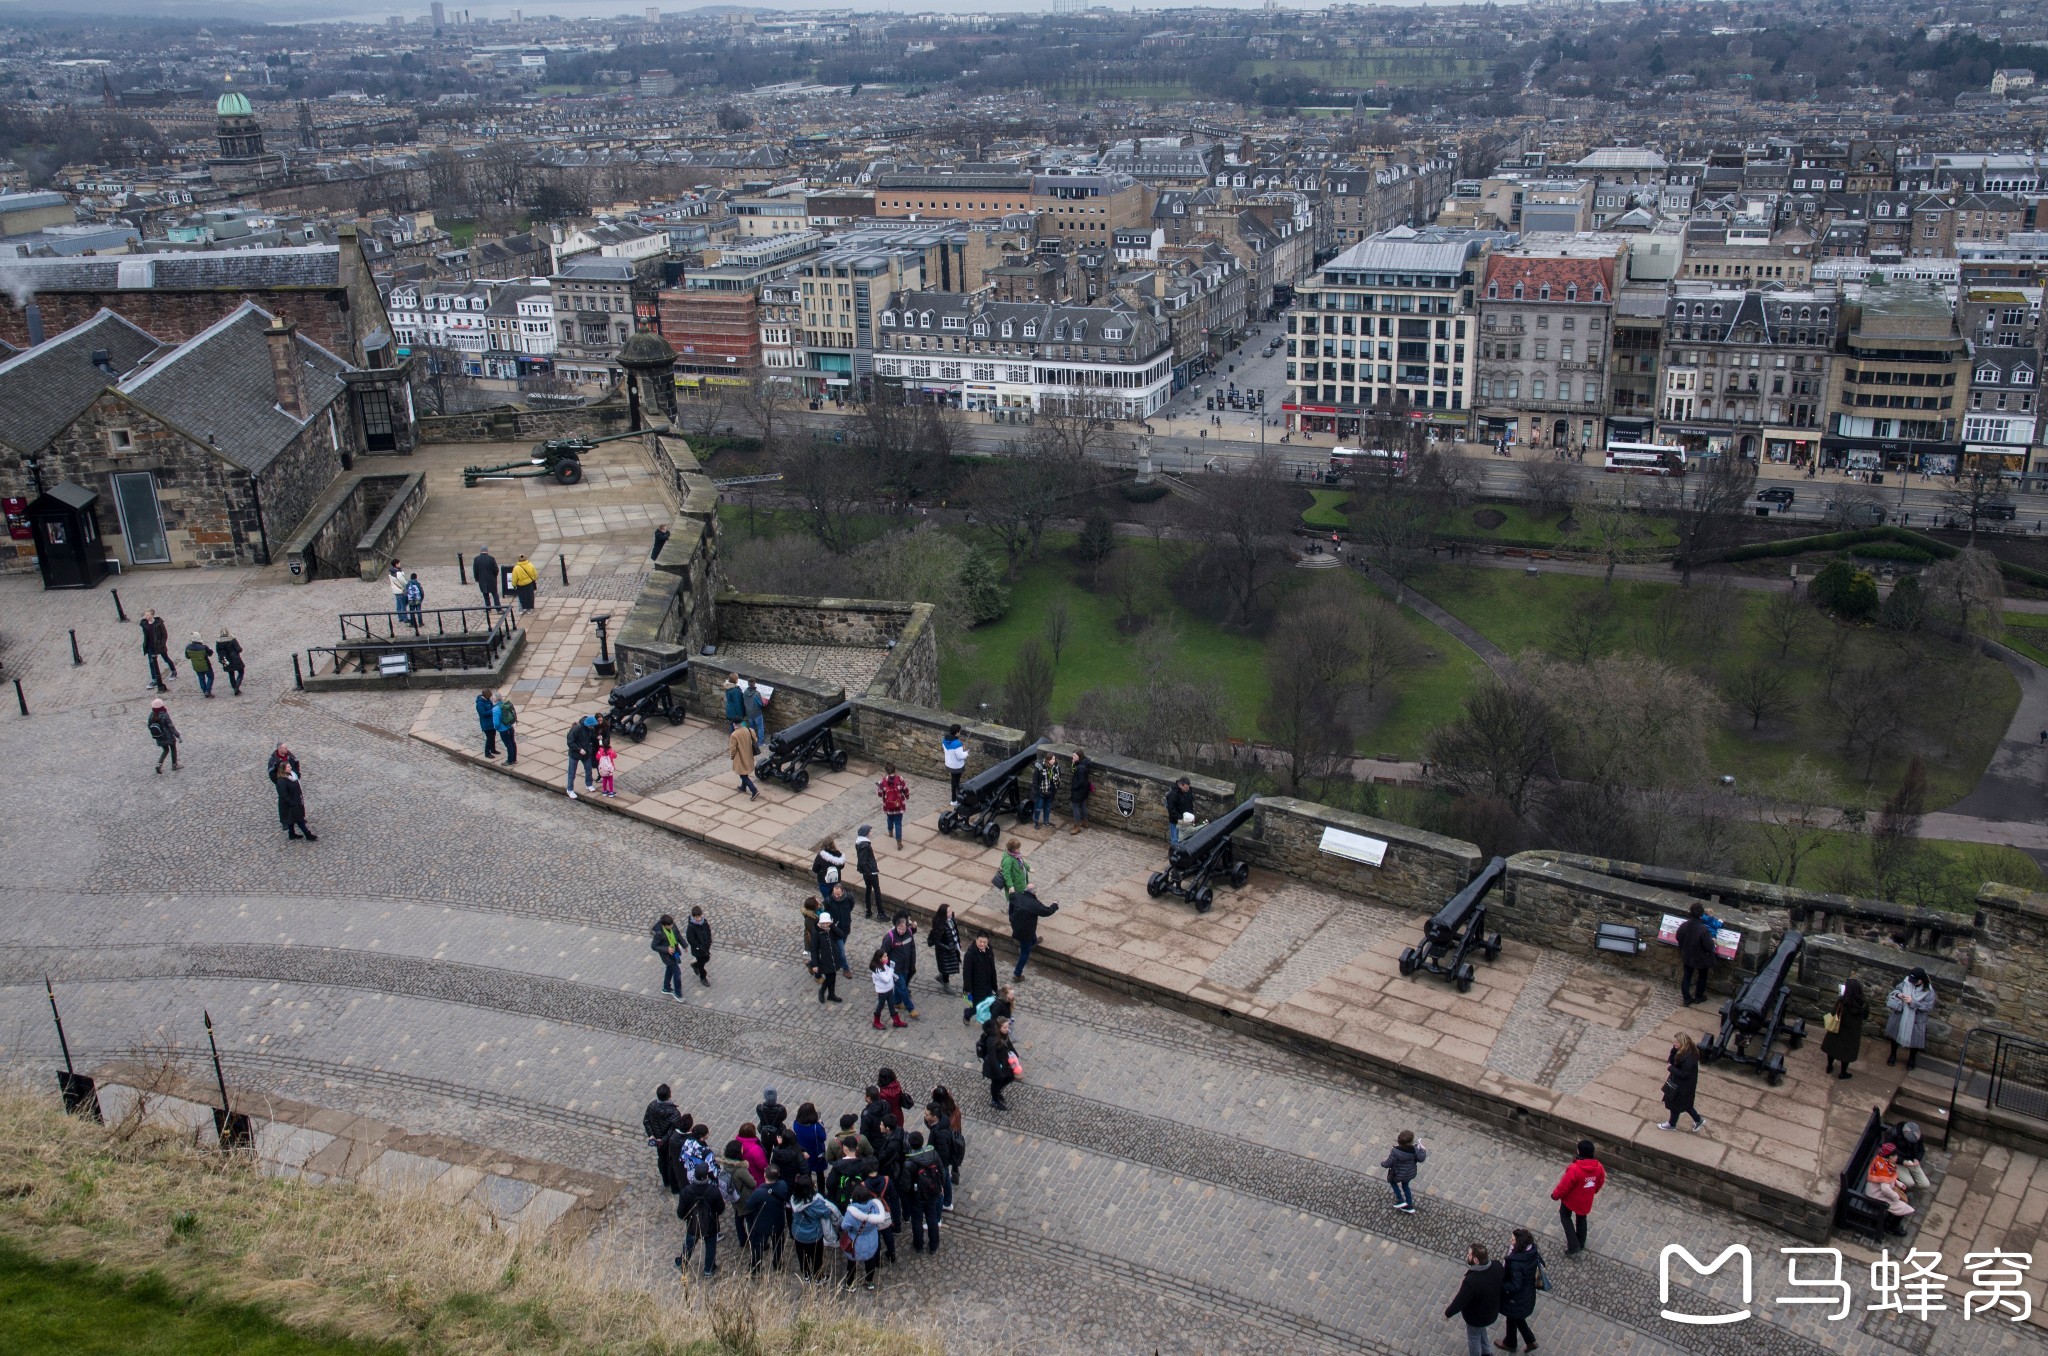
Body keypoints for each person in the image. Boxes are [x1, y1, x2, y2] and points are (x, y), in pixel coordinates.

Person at [1443, 1241, 1506, 1356]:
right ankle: (1487, 1352)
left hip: (1476, 1317)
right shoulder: (1497, 1266)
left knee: (1473, 1339)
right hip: (1491, 1312)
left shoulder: (1472, 1281)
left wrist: (1448, 1313)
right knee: (1481, 1331)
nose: (1468, 1256)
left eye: (1469, 1255)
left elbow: (1460, 1301)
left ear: (1476, 1260)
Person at [1550, 1139, 1605, 1256]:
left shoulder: (1575, 1168)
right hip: (1585, 1200)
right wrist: (1594, 1190)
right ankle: (1581, 1242)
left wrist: (1555, 1195)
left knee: (1565, 1216)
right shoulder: (1599, 1167)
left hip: (1571, 1200)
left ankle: (1573, 1245)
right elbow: (1600, 1181)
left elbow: (1564, 1185)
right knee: (1581, 1218)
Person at [1499, 1227, 1545, 1353]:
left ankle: (1511, 1343)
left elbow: (1515, 1285)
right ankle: (1529, 1341)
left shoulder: (1515, 1263)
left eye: (1512, 1239)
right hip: (1527, 1294)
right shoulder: (1532, 1251)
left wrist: (1501, 1284)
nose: (1510, 1240)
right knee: (1516, 1318)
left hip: (1517, 1298)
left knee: (1512, 1318)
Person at [787, 1174, 840, 1280]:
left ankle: (806, 1275)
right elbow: (825, 1213)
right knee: (816, 1258)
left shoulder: (793, 1199)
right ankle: (818, 1277)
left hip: (798, 1234)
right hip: (813, 1235)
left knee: (802, 1256)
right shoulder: (816, 1203)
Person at [675, 1165, 725, 1277]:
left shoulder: (686, 1191)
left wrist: (689, 1218)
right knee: (711, 1246)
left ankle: (683, 1263)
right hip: (710, 1225)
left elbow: (680, 1213)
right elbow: (721, 1209)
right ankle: (709, 1269)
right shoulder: (714, 1191)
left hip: (693, 1224)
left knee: (689, 1244)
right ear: (707, 1175)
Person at [903, 1131, 946, 1254]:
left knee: (917, 1220)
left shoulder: (909, 1163)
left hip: (917, 1196)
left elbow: (906, 1185)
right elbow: (942, 1171)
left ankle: (919, 1245)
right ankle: (933, 1245)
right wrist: (940, 1186)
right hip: (932, 1191)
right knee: (932, 1217)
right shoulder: (932, 1153)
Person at [840, 1184, 888, 1291]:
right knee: (870, 1261)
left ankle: (849, 1284)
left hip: (855, 1242)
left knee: (851, 1264)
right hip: (871, 1240)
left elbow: (844, 1226)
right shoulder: (874, 1207)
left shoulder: (851, 1213)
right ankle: (869, 1281)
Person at [1886, 968, 1936, 1070]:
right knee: (1895, 1035)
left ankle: (1911, 1059)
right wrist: (1898, 994)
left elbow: (1927, 1007)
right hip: (1901, 1015)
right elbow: (1897, 989)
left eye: (1915, 981)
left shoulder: (1929, 991)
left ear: (1921, 980)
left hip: (1916, 1020)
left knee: (1915, 1040)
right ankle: (1893, 1055)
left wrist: (1912, 1002)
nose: (1912, 983)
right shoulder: (1906, 982)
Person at [740, 1165, 786, 1275]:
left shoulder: (759, 1192)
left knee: (758, 1247)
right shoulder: (783, 1186)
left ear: (765, 1175)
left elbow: (749, 1205)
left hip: (762, 1224)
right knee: (778, 1245)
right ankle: (777, 1264)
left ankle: (755, 1268)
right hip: (778, 1221)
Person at [1007, 882, 1058, 981]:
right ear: (1034, 893)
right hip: (1025, 932)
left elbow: (1011, 903)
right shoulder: (1034, 904)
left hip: (1017, 926)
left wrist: (1011, 917)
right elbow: (1047, 911)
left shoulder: (1016, 896)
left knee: (1031, 934)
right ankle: (1017, 974)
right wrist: (1055, 905)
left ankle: (1034, 942)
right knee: (1024, 953)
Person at [1822, 977, 1869, 1080]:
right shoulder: (1864, 1003)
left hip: (1838, 1028)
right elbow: (1865, 1016)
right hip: (1852, 1032)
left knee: (1832, 1048)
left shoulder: (1842, 1000)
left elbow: (1834, 1012)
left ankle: (1829, 1066)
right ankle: (1843, 1073)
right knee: (1847, 1052)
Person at [1658, 1033, 1705, 1132]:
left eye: (1676, 1042)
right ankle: (1698, 1120)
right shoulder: (1680, 1051)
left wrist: (1670, 1068)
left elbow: (1685, 1074)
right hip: (1681, 1084)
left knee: (1676, 1105)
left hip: (1683, 1086)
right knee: (1685, 1105)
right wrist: (1674, 1050)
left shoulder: (1689, 1058)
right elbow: (1671, 1060)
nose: (1674, 1043)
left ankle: (1672, 1124)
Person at [269, 743, 316, 841]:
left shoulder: (291, 776)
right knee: (298, 819)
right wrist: (292, 802)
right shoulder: (282, 781)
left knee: (292, 818)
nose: (290, 768)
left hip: (294, 800)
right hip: (290, 803)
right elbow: (284, 795)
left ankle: (291, 833)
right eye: (288, 767)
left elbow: (296, 763)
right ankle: (308, 834)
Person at [1865, 1144, 1916, 1233]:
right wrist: (1895, 1197)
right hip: (1875, 1195)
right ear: (1889, 1157)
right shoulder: (1884, 1168)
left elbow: (1888, 1178)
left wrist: (1898, 1183)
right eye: (1894, 1155)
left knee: (1900, 1200)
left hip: (1875, 1191)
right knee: (1902, 1206)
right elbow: (1885, 1188)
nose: (1897, 1157)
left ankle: (1889, 1221)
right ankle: (1893, 1226)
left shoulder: (1881, 1161)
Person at [1674, 902, 1717, 1007]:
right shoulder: (1703, 929)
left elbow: (1678, 937)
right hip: (1700, 958)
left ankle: (1687, 998)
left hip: (1687, 955)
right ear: (1701, 914)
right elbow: (1709, 946)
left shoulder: (1684, 925)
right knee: (1702, 976)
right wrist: (1713, 941)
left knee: (1687, 976)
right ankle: (1698, 997)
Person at [643, 1084, 683, 1192]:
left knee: (662, 1160)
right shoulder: (674, 1113)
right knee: (671, 1163)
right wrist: (663, 1140)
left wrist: (652, 1136)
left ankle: (666, 1181)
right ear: (669, 1095)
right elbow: (673, 1130)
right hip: (668, 1143)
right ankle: (674, 1186)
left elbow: (646, 1121)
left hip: (658, 1141)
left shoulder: (652, 1106)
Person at [1381, 1129, 1426, 1213]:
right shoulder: (1415, 1150)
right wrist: (1423, 1150)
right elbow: (1421, 1158)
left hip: (1397, 1174)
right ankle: (1409, 1206)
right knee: (1405, 1186)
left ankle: (1401, 1200)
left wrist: (1382, 1163)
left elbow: (1388, 1163)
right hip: (1409, 1173)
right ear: (1411, 1141)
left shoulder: (1395, 1151)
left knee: (1392, 1182)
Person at [979, 1015, 1018, 1110]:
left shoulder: (1003, 1033)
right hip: (995, 1066)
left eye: (1007, 1026)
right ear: (998, 1027)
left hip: (1003, 1061)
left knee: (1010, 1076)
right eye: (1004, 1027)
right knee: (996, 1083)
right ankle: (994, 1100)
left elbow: (1008, 1043)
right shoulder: (992, 1040)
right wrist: (999, 1073)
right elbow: (993, 1058)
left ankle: (998, 1091)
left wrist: (1015, 1054)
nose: (1007, 1029)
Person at [885, 914, 920, 1020]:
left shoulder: (909, 933)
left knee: (900, 986)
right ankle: (911, 1008)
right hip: (894, 968)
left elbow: (912, 949)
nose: (901, 931)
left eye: (903, 929)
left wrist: (912, 963)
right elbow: (883, 953)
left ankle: (896, 1002)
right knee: (903, 988)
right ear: (896, 926)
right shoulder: (889, 937)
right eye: (899, 928)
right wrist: (886, 968)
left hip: (905, 966)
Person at [961, 933, 999, 1024]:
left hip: (987, 984)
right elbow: (966, 974)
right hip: (976, 987)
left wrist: (995, 986)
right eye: (980, 941)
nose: (982, 944)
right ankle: (967, 1014)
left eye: (984, 942)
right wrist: (968, 990)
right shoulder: (970, 955)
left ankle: (990, 1019)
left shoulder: (989, 951)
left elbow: (992, 969)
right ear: (976, 939)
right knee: (976, 1007)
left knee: (989, 1003)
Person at [926, 903, 962, 994]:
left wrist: (958, 942)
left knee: (950, 965)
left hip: (952, 947)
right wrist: (948, 948)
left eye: (950, 910)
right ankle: (946, 984)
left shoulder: (952, 920)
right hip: (944, 951)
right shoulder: (940, 925)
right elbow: (937, 942)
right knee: (947, 968)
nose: (950, 912)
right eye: (948, 912)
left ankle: (941, 977)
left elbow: (955, 932)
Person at [563, 714, 598, 799]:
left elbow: (592, 738)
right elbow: (570, 742)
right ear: (588, 724)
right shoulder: (576, 728)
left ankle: (589, 784)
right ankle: (570, 789)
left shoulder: (590, 728)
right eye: (591, 725)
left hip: (586, 753)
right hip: (575, 754)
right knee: (572, 773)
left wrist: (597, 738)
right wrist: (579, 749)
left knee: (588, 769)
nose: (592, 727)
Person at [140, 609, 174, 691]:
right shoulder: (145, 624)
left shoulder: (159, 624)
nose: (146, 617)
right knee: (151, 662)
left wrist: (162, 644)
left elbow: (164, 635)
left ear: (152, 615)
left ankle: (173, 670)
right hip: (150, 646)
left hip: (159, 645)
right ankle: (154, 679)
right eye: (145, 615)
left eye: (148, 615)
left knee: (166, 658)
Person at [809, 912, 841, 1003]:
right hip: (824, 958)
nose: (826, 925)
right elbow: (814, 949)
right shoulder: (815, 932)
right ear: (820, 922)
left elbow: (841, 934)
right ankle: (822, 990)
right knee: (830, 976)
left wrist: (832, 926)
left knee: (833, 975)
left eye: (827, 923)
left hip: (832, 956)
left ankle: (831, 994)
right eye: (824, 923)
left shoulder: (830, 928)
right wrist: (815, 964)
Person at [870, 947, 904, 1031]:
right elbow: (886, 979)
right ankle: (876, 1021)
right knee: (881, 1005)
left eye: (887, 956)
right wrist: (892, 969)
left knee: (891, 1004)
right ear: (879, 958)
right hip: (883, 991)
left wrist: (894, 975)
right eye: (884, 957)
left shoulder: (883, 965)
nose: (887, 958)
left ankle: (896, 1021)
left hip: (888, 988)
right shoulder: (878, 969)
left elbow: (888, 972)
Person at [876, 763, 910, 847]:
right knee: (898, 823)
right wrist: (907, 796)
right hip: (899, 805)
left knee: (889, 819)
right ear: (895, 770)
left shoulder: (883, 781)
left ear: (886, 771)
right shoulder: (900, 779)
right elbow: (905, 789)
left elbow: (880, 794)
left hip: (888, 806)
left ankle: (890, 832)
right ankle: (899, 842)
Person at [793, 1103, 830, 1176]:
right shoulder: (816, 1127)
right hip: (816, 1152)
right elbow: (823, 1137)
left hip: (804, 1151)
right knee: (820, 1173)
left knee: (807, 1170)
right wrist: (820, 1123)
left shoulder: (796, 1124)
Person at [1894, 1121, 1933, 1190]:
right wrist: (1903, 1161)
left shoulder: (1917, 1134)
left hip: (1912, 1161)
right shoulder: (1894, 1135)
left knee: (1925, 1184)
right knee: (1909, 1183)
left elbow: (1921, 1150)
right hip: (1898, 1162)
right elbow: (1891, 1154)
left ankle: (1908, 1184)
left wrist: (1917, 1159)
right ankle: (1901, 1183)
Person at [854, 825, 882, 919]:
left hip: (867, 871)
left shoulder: (860, 843)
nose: (871, 832)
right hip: (870, 871)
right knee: (876, 891)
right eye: (870, 831)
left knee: (868, 889)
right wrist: (869, 873)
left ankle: (868, 910)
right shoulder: (865, 845)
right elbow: (863, 861)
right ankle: (880, 913)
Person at [146, 698, 180, 772]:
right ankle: (174, 765)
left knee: (165, 750)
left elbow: (149, 726)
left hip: (159, 737)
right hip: (168, 736)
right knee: (173, 749)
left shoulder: (151, 715)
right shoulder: (164, 715)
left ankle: (159, 764)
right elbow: (171, 726)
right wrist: (177, 735)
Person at [729, 721, 759, 800]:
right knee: (744, 771)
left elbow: (733, 749)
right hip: (749, 754)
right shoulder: (749, 730)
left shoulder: (734, 735)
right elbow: (755, 740)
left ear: (734, 724)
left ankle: (754, 790)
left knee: (742, 774)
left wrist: (732, 757)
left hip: (740, 757)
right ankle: (743, 787)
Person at [1029, 752, 1060, 829]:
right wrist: (1036, 791)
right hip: (1041, 791)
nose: (1054, 760)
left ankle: (1046, 822)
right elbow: (1035, 780)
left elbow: (1058, 778)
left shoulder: (1055, 767)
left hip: (1050, 791)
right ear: (1048, 760)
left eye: (1054, 759)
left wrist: (1055, 787)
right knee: (1038, 807)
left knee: (1047, 808)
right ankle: (1035, 821)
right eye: (1052, 759)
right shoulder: (1040, 767)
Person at [685, 905, 713, 987]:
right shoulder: (691, 926)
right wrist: (698, 947)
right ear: (693, 917)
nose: (699, 919)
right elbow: (690, 939)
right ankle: (703, 977)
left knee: (707, 958)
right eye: (696, 917)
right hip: (698, 949)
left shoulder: (704, 922)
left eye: (699, 916)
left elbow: (708, 930)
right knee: (701, 964)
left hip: (706, 946)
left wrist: (709, 940)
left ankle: (695, 965)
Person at [1068, 747, 1094, 834]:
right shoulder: (1084, 763)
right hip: (1084, 790)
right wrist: (1074, 763)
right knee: (1083, 805)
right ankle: (1085, 822)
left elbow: (1081, 781)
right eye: (1073, 756)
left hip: (1079, 790)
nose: (1073, 758)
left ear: (1079, 756)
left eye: (1075, 756)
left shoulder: (1081, 767)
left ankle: (1077, 826)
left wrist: (1074, 787)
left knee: (1075, 807)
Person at [1165, 776, 1195, 847]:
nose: (1187, 789)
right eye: (1186, 787)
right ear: (1180, 785)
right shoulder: (1173, 794)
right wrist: (1181, 818)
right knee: (1175, 839)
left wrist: (1192, 817)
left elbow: (1190, 805)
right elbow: (1171, 810)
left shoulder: (1189, 791)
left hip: (1186, 820)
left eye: (1188, 787)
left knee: (1185, 838)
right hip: (1176, 821)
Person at [184, 633, 216, 698]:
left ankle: (205, 691)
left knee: (201, 678)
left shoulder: (188, 647)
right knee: (210, 677)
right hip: (206, 665)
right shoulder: (204, 647)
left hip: (196, 666)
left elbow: (187, 656)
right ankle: (208, 691)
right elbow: (210, 653)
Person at [942, 724, 968, 804]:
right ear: (957, 732)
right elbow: (960, 757)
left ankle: (954, 798)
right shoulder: (957, 743)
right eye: (960, 731)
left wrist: (961, 749)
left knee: (954, 780)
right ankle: (954, 799)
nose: (960, 732)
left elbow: (949, 752)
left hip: (949, 764)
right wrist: (966, 752)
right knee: (956, 782)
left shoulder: (944, 740)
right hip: (956, 766)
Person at [215, 629, 246, 696]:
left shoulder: (218, 642)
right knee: (241, 672)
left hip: (225, 660)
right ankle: (237, 687)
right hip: (235, 658)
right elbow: (239, 649)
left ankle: (234, 687)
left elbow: (218, 651)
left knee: (231, 674)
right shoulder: (232, 639)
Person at [493, 692, 519, 766]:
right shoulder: (505, 705)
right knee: (512, 742)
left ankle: (510, 760)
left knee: (508, 745)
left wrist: (497, 728)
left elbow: (496, 723)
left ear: (495, 700)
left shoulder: (495, 709)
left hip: (503, 730)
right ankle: (514, 759)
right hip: (510, 727)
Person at [476, 688, 501, 760]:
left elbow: (491, 706)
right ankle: (487, 752)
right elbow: (483, 714)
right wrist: (493, 710)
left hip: (491, 722)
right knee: (489, 738)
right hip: (486, 724)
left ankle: (493, 749)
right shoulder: (480, 704)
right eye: (489, 695)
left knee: (493, 736)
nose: (490, 697)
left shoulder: (488, 700)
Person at [472, 546, 499, 611]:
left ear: (480, 551)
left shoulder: (476, 559)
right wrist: (495, 576)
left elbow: (475, 570)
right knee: (495, 594)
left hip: (482, 580)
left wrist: (477, 578)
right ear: (487, 551)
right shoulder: (491, 559)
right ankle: (498, 608)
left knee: (485, 594)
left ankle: (488, 608)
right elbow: (496, 569)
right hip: (491, 579)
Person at [741, 679, 767, 746]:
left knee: (751, 727)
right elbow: (760, 704)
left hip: (749, 713)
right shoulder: (756, 693)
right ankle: (760, 742)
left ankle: (752, 740)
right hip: (756, 713)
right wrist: (764, 704)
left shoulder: (745, 692)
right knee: (760, 727)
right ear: (755, 683)